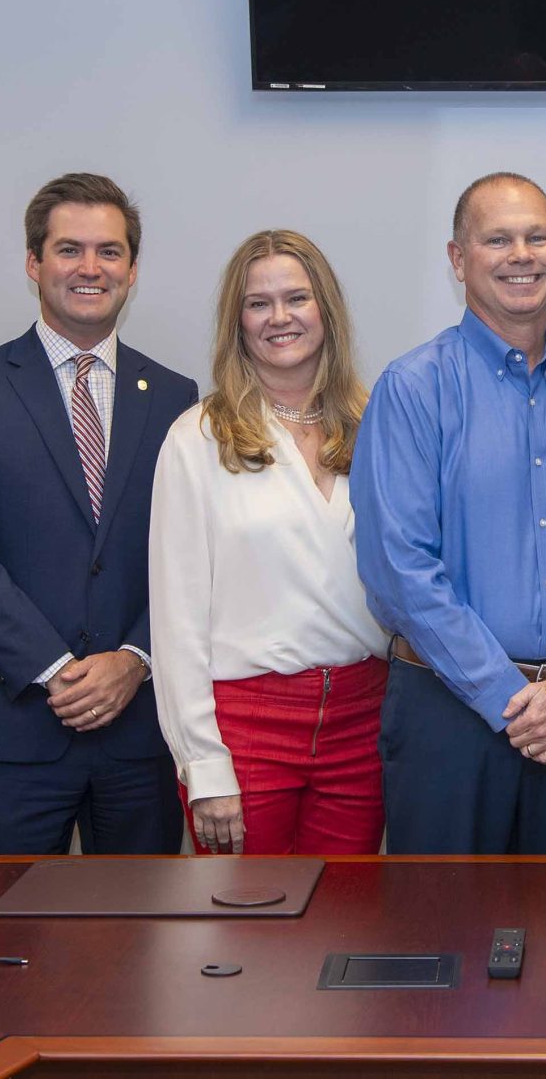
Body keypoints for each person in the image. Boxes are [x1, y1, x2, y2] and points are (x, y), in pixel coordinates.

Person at [350, 172, 546, 855]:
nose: (521, 254)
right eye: (497, 239)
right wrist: (509, 698)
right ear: (459, 259)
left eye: (537, 236)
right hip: (449, 716)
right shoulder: (413, 389)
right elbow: (399, 570)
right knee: (442, 936)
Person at [0, 173, 194, 855]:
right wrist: (58, 669)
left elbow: (190, 554)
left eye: (109, 251)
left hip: (140, 732)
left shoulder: (174, 396)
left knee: (141, 942)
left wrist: (133, 659)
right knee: (11, 939)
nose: (89, 267)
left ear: (132, 270)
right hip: (13, 724)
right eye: (69, 249)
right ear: (33, 264)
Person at [148, 230, 390, 855]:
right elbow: (175, 622)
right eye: (259, 303)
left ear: (326, 312)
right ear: (238, 323)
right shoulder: (197, 437)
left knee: (346, 927)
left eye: (297, 298)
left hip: (362, 724)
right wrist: (203, 765)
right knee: (243, 937)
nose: (280, 317)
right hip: (245, 732)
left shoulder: (380, 426)